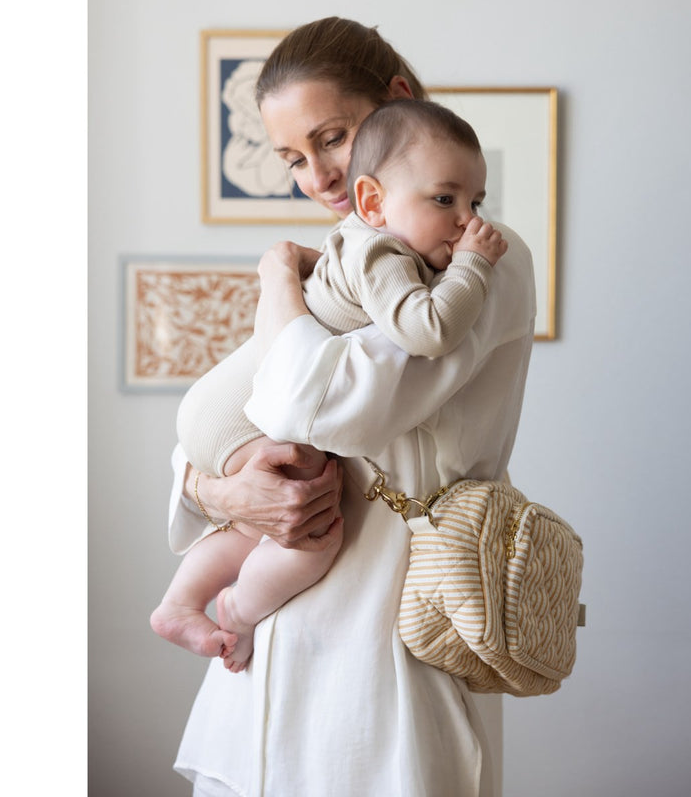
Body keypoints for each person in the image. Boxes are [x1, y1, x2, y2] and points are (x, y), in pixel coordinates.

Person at [166, 17, 536, 797]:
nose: (319, 177)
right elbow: (224, 419)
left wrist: (276, 278)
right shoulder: (353, 261)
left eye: (332, 138)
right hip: (256, 659)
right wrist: (215, 488)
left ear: (396, 99)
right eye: (293, 159)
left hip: (385, 659)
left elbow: (314, 406)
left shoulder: (475, 262)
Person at [151, 98, 509, 673]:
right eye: (446, 201)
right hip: (236, 416)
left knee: (262, 521)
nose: (469, 221)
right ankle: (238, 610)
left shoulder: (380, 244)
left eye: (475, 202)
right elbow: (431, 329)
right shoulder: (382, 250)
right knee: (313, 532)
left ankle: (180, 603)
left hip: (220, 408)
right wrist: (471, 266)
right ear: (374, 201)